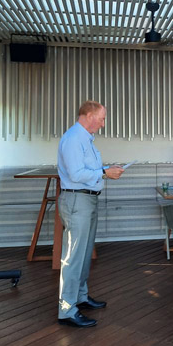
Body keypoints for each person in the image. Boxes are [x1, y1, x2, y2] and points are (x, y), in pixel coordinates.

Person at [57, 100, 124, 328]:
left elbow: (88, 170)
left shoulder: (85, 139)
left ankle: (80, 297)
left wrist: (106, 171)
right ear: (88, 116)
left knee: (84, 253)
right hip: (77, 199)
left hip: (87, 199)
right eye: (102, 119)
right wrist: (105, 172)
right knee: (73, 256)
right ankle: (67, 310)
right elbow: (76, 174)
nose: (103, 124)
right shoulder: (74, 138)